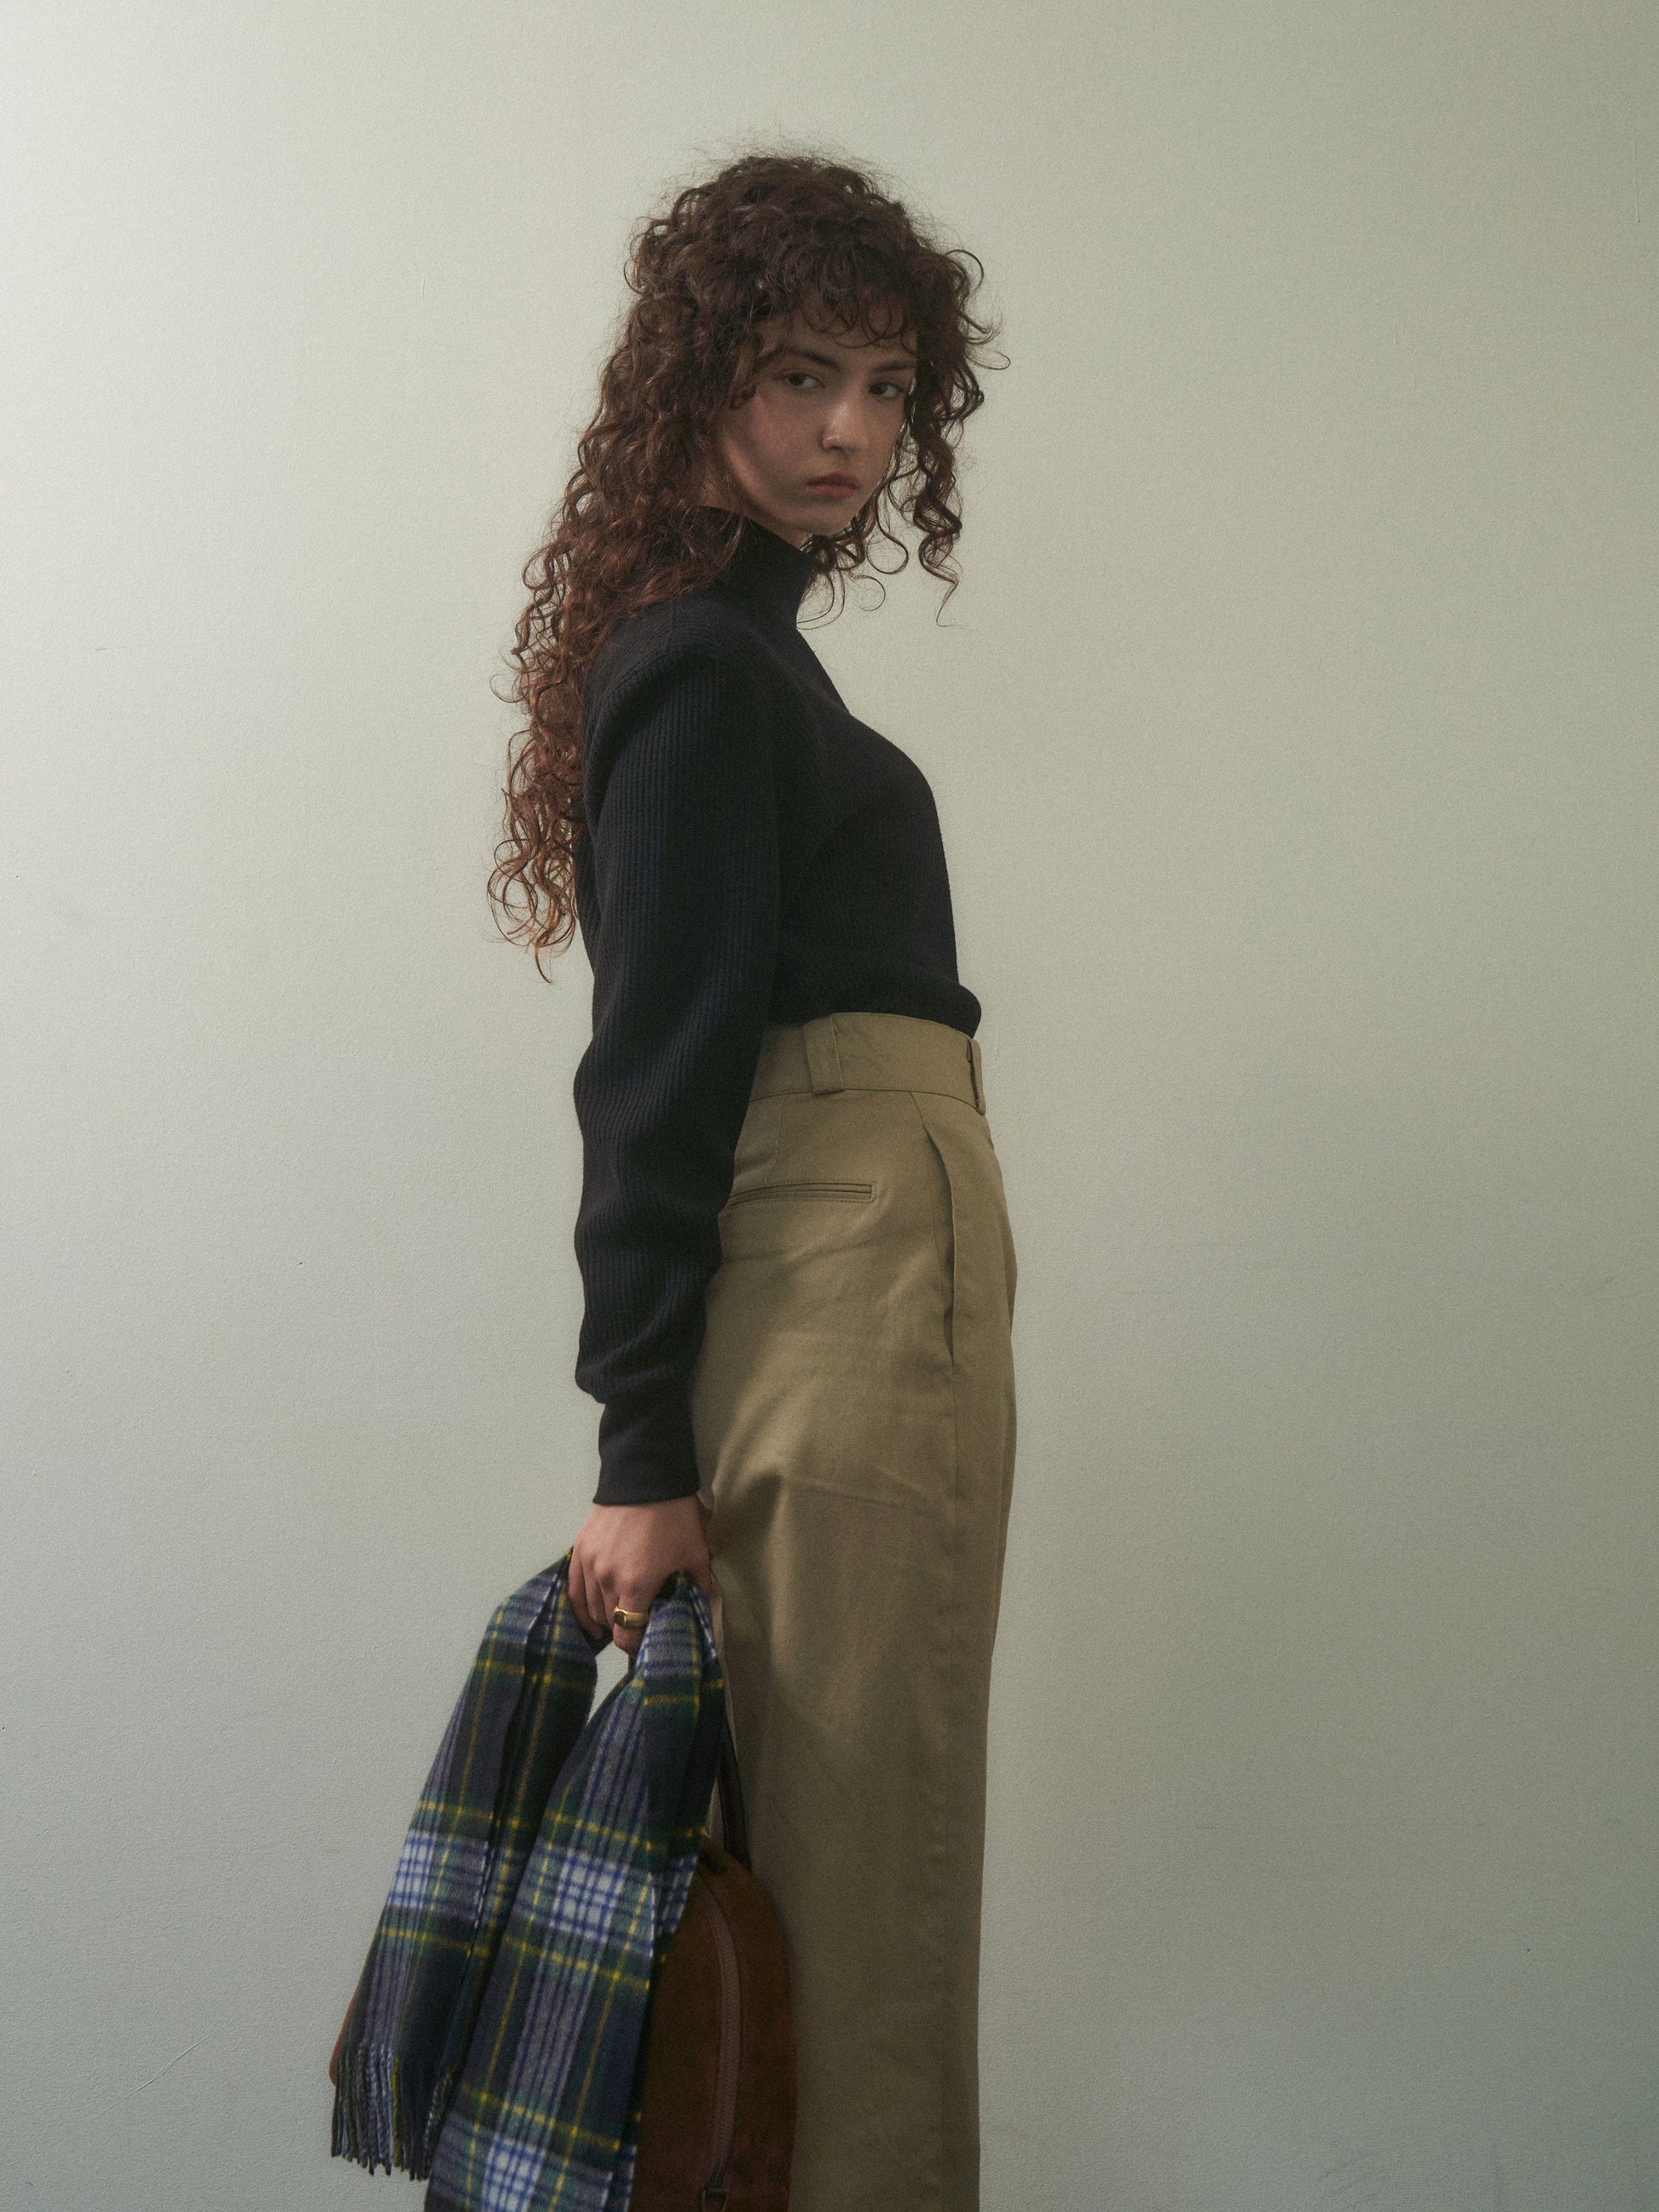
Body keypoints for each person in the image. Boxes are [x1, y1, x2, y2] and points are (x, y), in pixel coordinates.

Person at [489, 147, 1018, 2212]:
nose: (846, 431)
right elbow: (658, 1071)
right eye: (799, 372)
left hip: (833, 1273)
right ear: (695, 377)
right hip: (847, 1277)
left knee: (820, 1854)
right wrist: (637, 1441)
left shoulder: (732, 657)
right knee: (862, 1877)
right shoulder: (712, 669)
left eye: (883, 388)